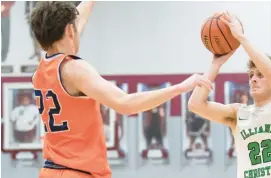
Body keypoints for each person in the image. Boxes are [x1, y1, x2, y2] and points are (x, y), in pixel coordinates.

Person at [31, 2, 212, 178]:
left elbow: (80, 17)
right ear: (70, 30)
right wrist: (181, 87)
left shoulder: (40, 72)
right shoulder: (74, 69)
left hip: (51, 170)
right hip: (77, 172)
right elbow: (125, 104)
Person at [188, 11, 271, 178]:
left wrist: (241, 38)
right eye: (251, 75)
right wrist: (215, 64)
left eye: (260, 75)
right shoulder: (238, 114)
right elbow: (195, 104)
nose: (253, 79)